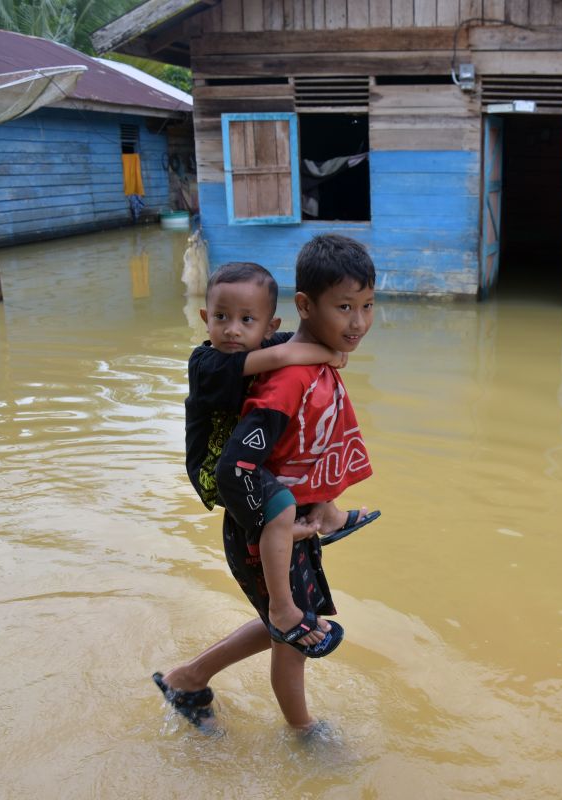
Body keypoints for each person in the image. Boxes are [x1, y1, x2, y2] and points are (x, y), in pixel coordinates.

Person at [154, 236, 377, 733]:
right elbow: (236, 465)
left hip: (270, 509)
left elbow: (304, 444)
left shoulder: (286, 351)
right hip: (253, 509)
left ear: (271, 324)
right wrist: (273, 522)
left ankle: (188, 679)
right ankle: (304, 733)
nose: (357, 323)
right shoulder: (264, 371)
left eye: (366, 307)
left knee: (292, 623)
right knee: (289, 632)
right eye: (344, 308)